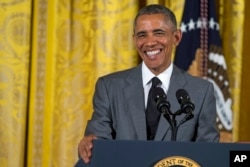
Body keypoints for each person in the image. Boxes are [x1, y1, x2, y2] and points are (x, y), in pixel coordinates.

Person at [78, 4, 219, 164]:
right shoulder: (109, 87)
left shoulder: (201, 91)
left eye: (158, 33)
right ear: (134, 40)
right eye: (142, 35)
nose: (150, 42)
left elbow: (208, 152)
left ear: (177, 37)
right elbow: (96, 145)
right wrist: (89, 144)